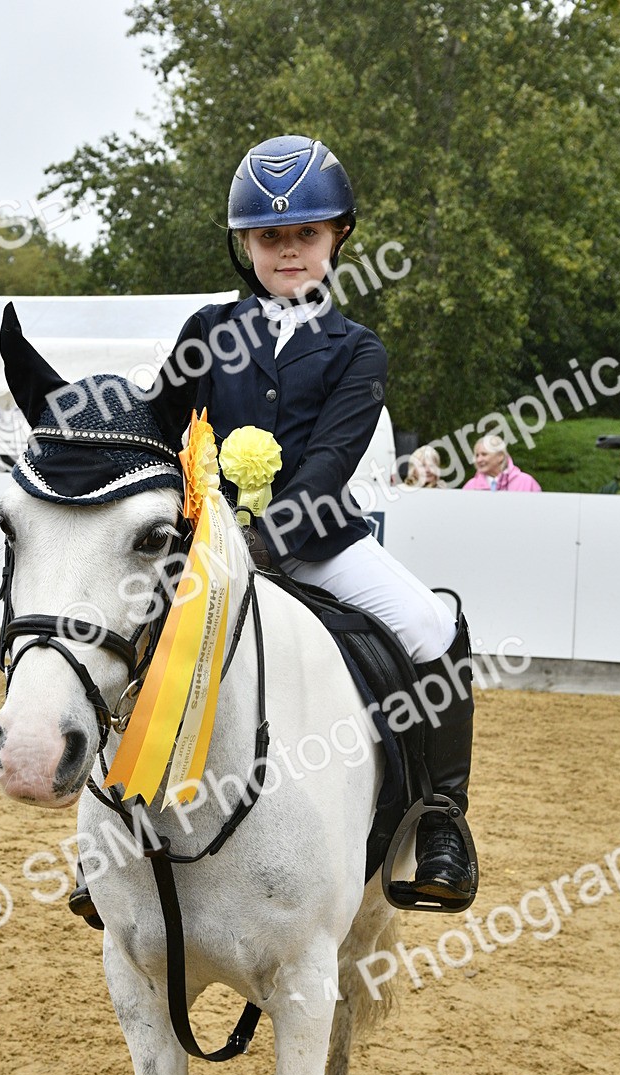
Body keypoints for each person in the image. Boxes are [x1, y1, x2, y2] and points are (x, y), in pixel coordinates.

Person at [144, 134, 476, 909]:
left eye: (306, 235)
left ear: (338, 238)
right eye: (269, 237)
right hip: (208, 549)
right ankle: (116, 836)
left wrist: (260, 544)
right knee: (127, 636)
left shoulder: (358, 350)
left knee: (432, 627)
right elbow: (160, 428)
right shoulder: (206, 332)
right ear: (245, 246)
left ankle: (440, 821)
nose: (287, 250)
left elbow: (329, 465)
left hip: (320, 548)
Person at [462, 434, 541, 492]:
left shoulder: (526, 482)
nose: (479, 460)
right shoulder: (470, 487)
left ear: (500, 456)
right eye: (477, 456)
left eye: (484, 454)